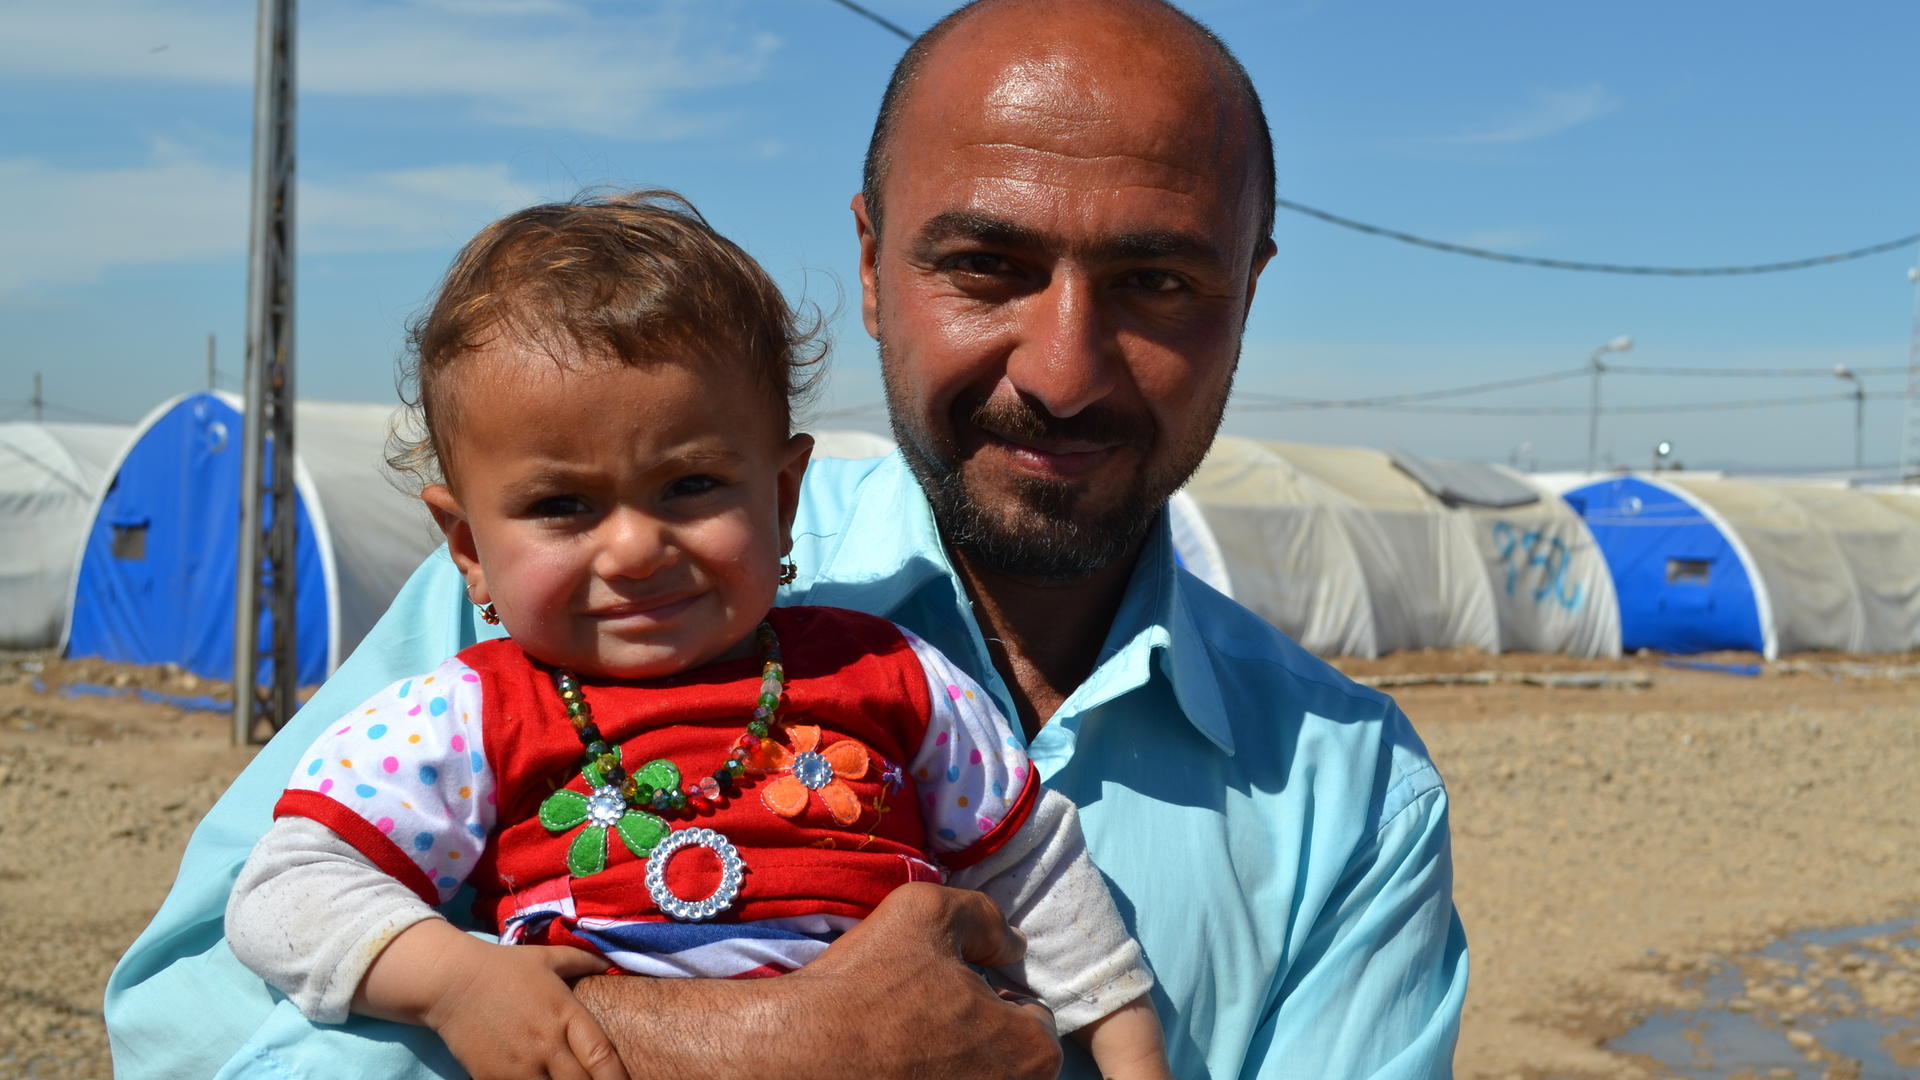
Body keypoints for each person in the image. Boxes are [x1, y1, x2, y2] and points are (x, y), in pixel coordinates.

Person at [106, 1, 1468, 1077]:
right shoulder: (528, 620)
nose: (1062, 368)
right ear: (872, 269)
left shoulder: (1350, 804)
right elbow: (185, 1032)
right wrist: (750, 1045)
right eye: (986, 267)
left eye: (1156, 281)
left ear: (1248, 291)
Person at [222, 190, 1171, 1080]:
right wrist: (453, 981)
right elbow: (287, 888)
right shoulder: (470, 712)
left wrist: (1130, 1057)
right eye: (562, 504)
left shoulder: (888, 673)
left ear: (783, 496)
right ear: (469, 548)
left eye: (691, 485)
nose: (635, 548)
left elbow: (1034, 867)